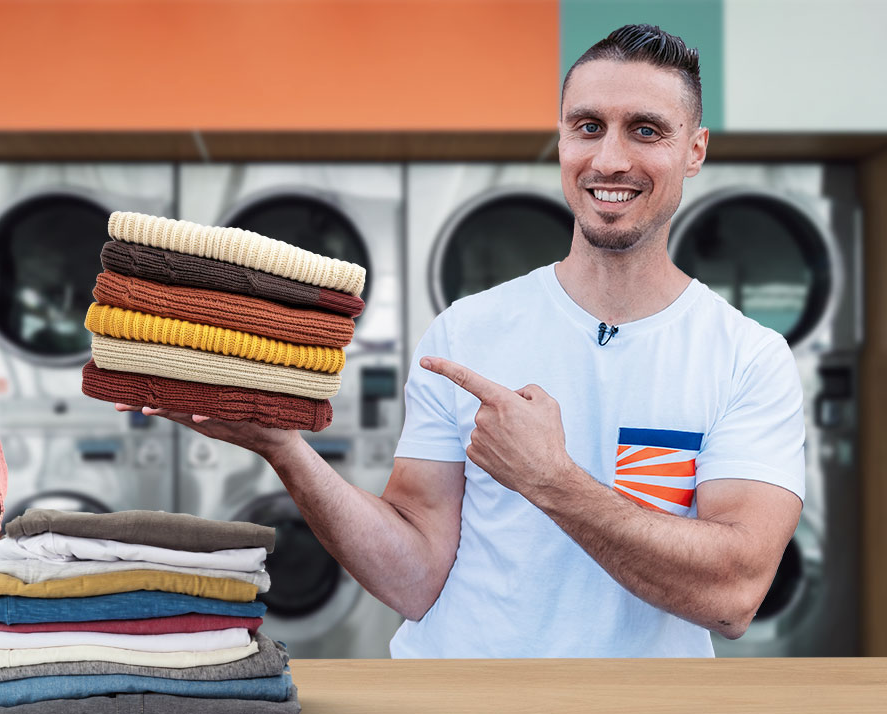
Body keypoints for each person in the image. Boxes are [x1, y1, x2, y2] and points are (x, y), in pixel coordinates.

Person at [116, 24, 805, 658]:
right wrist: (283, 449)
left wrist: (552, 481)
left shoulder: (747, 356)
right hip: (460, 709)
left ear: (694, 151)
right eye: (587, 127)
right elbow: (416, 578)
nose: (610, 158)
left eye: (646, 130)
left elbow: (732, 596)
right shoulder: (469, 331)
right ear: (562, 140)